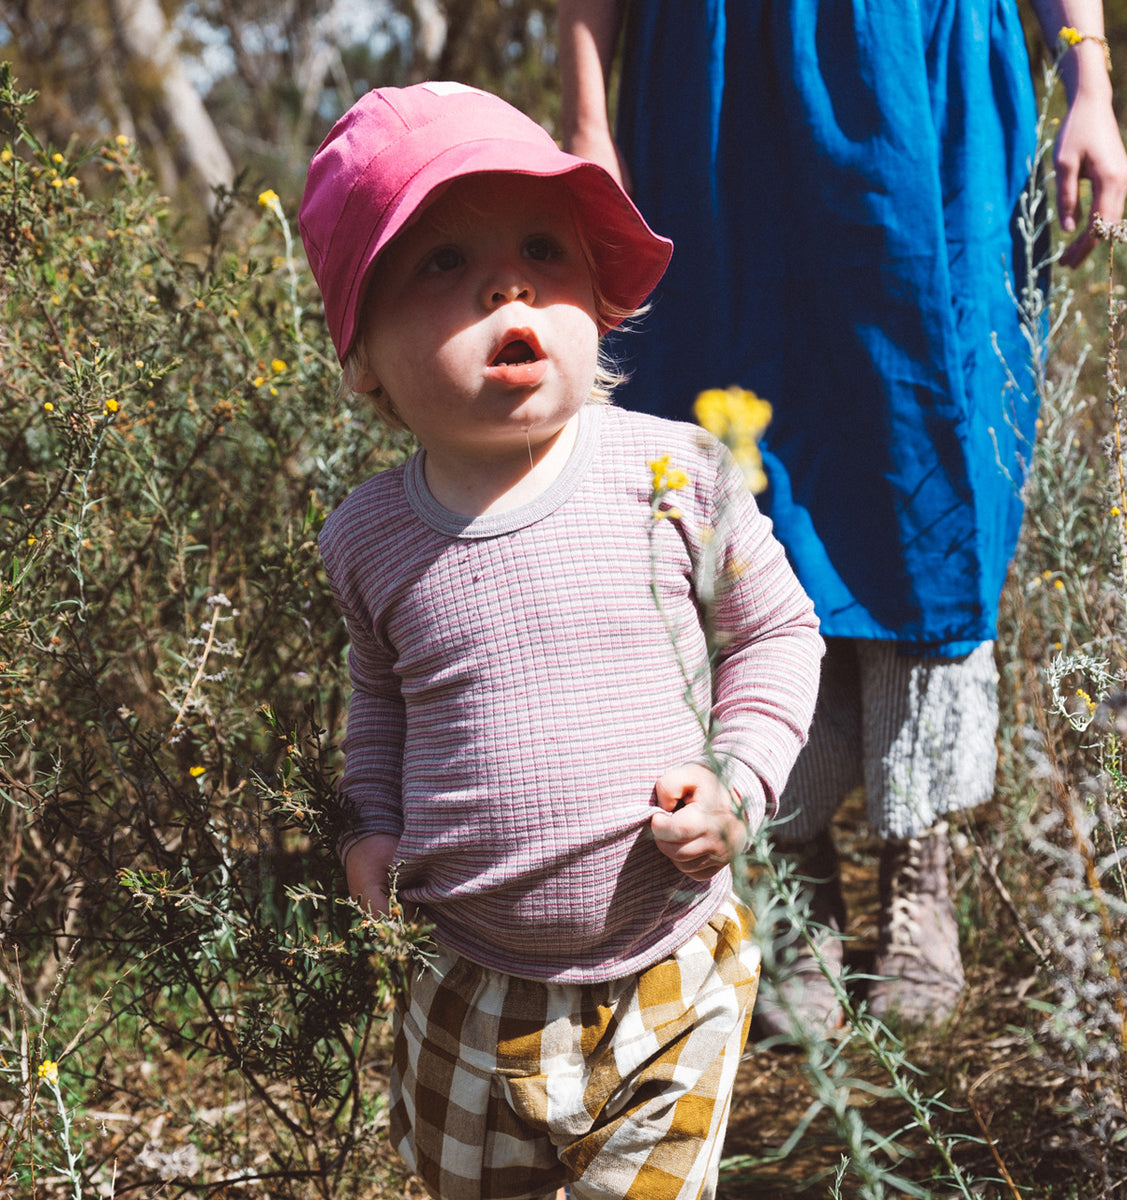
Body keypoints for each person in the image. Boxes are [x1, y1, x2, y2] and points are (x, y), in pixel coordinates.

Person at [558, 0, 1127, 1031]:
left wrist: (1087, 73)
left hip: (932, 80)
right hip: (718, 87)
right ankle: (795, 863)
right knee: (744, 472)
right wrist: (589, 124)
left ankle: (922, 863)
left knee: (935, 455)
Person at [298, 82, 824, 1200]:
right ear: (364, 359)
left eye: (545, 244)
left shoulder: (673, 471)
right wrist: (370, 829)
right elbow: (382, 702)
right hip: (463, 984)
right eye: (440, 263)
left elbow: (775, 631)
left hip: (669, 967)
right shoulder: (371, 536)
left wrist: (740, 780)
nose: (508, 281)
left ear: (600, 296)